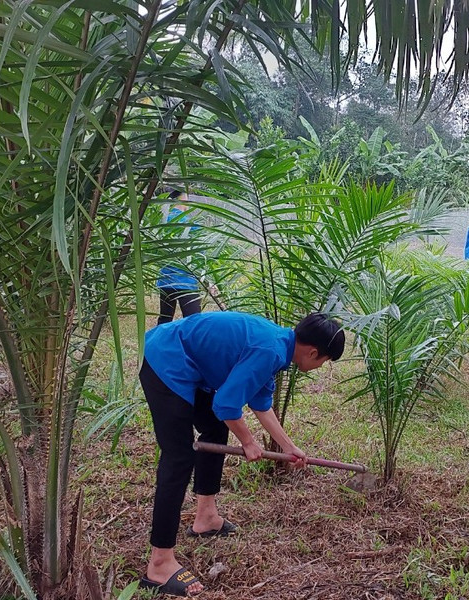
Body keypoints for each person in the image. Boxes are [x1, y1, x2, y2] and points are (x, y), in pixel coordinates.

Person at [138, 311, 345, 596]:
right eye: (324, 361)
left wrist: (289, 446)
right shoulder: (268, 350)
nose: (321, 366)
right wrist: (248, 441)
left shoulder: (279, 346)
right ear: (312, 352)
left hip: (189, 362)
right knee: (179, 457)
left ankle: (206, 518)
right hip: (166, 359)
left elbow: (260, 403)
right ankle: (159, 564)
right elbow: (226, 405)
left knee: (214, 430)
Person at [157, 190, 202, 325]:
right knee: (194, 323)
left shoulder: (163, 221)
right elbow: (199, 254)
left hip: (166, 280)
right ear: (183, 199)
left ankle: (158, 344)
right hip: (186, 281)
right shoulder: (190, 225)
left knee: (165, 319)